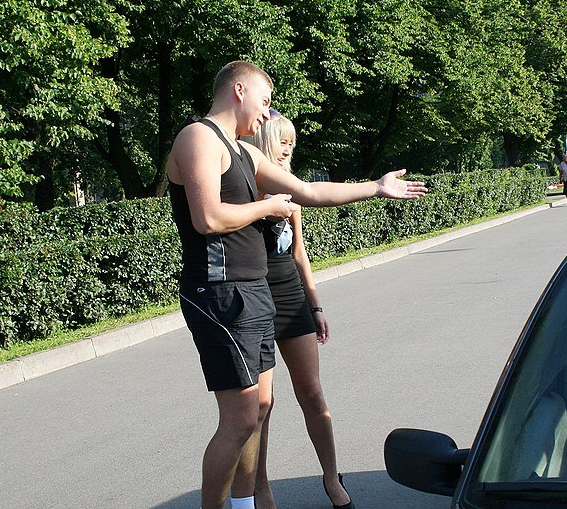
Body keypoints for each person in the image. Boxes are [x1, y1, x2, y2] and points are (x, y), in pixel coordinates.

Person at [167, 60, 426, 509]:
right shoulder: (198, 138)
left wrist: (376, 187)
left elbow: (310, 192)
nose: (266, 113)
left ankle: (246, 504)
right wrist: (266, 209)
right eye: (265, 100)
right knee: (240, 418)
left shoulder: (244, 152)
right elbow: (207, 218)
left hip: (254, 291)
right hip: (221, 291)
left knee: (256, 411)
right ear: (239, 90)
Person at [240, 115, 351, 509]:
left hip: (289, 292)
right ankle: (261, 488)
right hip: (254, 292)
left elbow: (299, 253)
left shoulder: (291, 189)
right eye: (282, 140)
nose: (288, 148)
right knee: (261, 405)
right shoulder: (243, 187)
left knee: (313, 392)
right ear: (264, 141)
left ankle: (331, 477)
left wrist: (315, 304)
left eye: (292, 141)